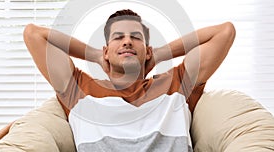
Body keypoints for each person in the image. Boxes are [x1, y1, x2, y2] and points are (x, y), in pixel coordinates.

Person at [23, 9, 236, 151]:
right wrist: (94, 55)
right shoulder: (78, 90)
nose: (127, 42)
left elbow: (224, 32)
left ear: (147, 50)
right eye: (118, 37)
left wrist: (161, 53)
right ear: (106, 51)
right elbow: (34, 34)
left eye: (136, 37)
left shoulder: (177, 84)